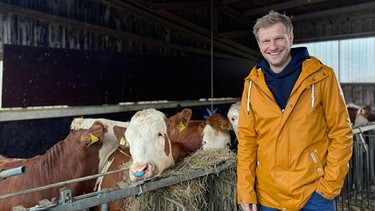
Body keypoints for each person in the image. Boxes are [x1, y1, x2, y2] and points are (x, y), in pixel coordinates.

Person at [236, 10, 353, 211]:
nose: (272, 46)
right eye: (266, 41)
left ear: (291, 38)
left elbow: (341, 132)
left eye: (279, 38)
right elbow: (247, 141)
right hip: (267, 198)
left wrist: (329, 186)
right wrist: (246, 191)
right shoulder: (252, 84)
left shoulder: (322, 77)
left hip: (313, 196)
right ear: (259, 44)